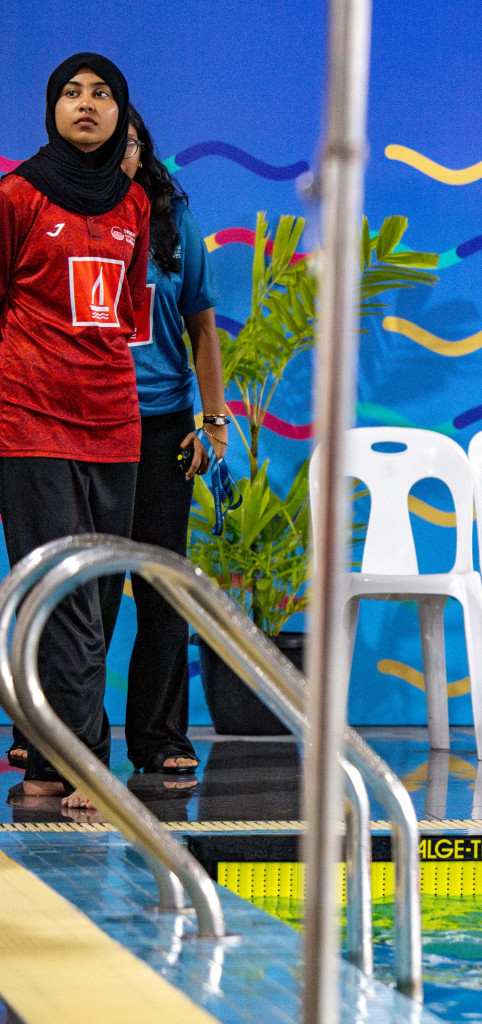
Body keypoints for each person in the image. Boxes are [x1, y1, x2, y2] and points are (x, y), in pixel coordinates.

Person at [1, 54, 150, 809]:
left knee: (102, 594)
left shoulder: (134, 204)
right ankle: (89, 761)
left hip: (115, 421)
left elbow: (129, 317)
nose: (86, 104)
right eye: (70, 92)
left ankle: (45, 765)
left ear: (121, 112)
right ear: (50, 109)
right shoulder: (16, 196)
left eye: (102, 94)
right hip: (30, 417)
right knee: (60, 599)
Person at [118, 106, 230, 775]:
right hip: (81, 425)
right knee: (82, 596)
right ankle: (57, 743)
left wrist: (212, 421)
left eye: (131, 142)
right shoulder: (61, 219)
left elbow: (203, 327)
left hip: (161, 426)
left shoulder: (172, 223)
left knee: (161, 586)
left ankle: (159, 738)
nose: (119, 153)